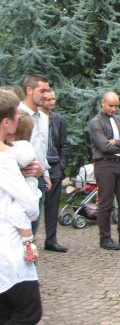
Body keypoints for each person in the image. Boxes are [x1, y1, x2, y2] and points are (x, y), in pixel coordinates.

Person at [0, 89, 43, 324]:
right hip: (8, 246)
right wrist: (33, 185)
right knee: (28, 312)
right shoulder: (5, 159)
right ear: (6, 122)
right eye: (17, 114)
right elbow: (31, 206)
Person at [88, 91, 120, 251]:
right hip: (104, 164)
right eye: (111, 106)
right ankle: (105, 238)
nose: (114, 109)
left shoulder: (119, 119)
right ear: (102, 103)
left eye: (116, 106)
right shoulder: (96, 123)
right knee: (106, 203)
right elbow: (104, 146)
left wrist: (116, 141)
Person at [19, 74, 52, 234]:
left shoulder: (44, 118)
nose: (46, 95)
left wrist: (45, 173)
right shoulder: (17, 114)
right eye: (42, 91)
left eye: (48, 90)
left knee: (34, 226)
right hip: (20, 177)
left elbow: (41, 148)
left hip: (38, 177)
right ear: (29, 90)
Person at [5, 111, 40, 263]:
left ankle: (28, 243)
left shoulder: (21, 146)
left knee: (18, 214)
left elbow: (25, 159)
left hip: (27, 188)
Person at [40, 88, 69, 253]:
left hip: (55, 166)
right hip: (38, 167)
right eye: (48, 99)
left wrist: (62, 164)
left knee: (52, 206)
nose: (51, 102)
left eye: (53, 99)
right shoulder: (35, 119)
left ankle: (51, 240)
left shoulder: (58, 119)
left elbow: (64, 144)